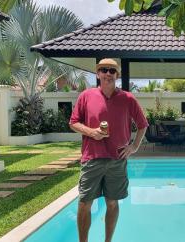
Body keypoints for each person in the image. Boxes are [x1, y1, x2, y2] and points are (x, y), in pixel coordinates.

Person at [69, 58, 148, 242]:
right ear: (97, 74)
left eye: (112, 71)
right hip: (92, 158)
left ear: (117, 75)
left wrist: (134, 146)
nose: (107, 74)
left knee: (112, 203)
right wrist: (91, 132)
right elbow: (73, 122)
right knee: (84, 203)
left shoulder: (127, 98)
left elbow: (143, 125)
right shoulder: (86, 96)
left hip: (117, 159)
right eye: (103, 70)